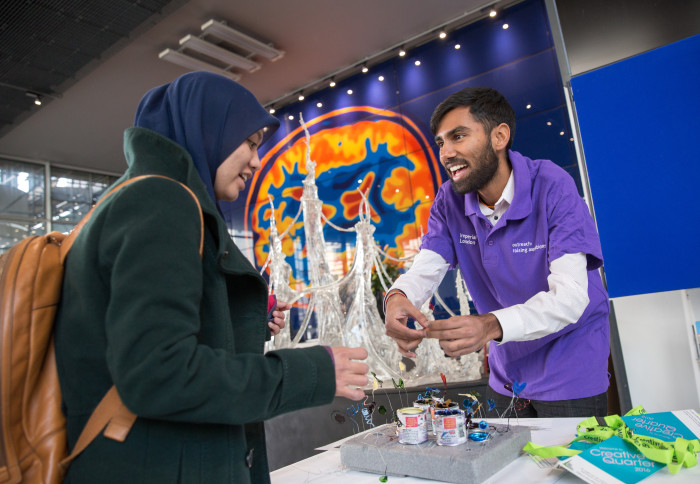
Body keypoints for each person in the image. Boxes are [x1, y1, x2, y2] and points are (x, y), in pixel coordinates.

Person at [54, 71, 369, 483]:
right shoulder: (161, 200)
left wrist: (243, 318)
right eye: (249, 142)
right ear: (208, 131)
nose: (256, 161)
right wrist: (313, 372)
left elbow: (146, 336)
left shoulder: (142, 197)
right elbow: (159, 373)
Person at [384, 87, 610, 417]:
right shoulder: (449, 201)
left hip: (571, 365)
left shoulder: (551, 185)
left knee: (568, 454)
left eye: (458, 136)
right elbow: (427, 265)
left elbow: (570, 297)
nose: (446, 153)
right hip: (508, 372)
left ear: (499, 136)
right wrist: (398, 297)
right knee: (505, 453)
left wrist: (489, 326)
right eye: (441, 143)